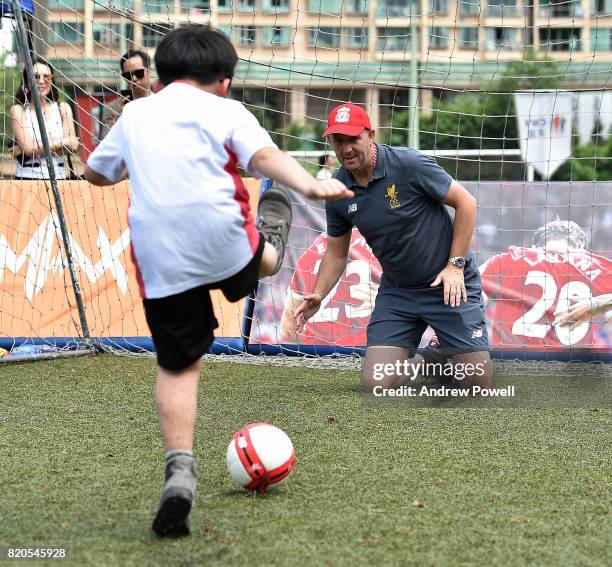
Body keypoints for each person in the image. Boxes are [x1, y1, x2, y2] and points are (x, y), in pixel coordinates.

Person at [84, 25, 352, 538]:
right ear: (225, 81)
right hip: (223, 239)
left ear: (159, 77)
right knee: (263, 257)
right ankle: (270, 240)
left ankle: (179, 472)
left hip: (161, 256)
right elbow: (265, 159)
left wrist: (112, 167)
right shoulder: (228, 110)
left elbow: (97, 174)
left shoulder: (136, 112)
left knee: (180, 365)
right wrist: (311, 184)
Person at [293, 103, 493, 392]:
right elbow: (337, 252)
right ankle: (432, 359)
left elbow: (467, 203)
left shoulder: (409, 164)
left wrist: (455, 266)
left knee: (477, 382)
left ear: (370, 135)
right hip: (399, 292)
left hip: (447, 284)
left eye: (353, 139)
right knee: (376, 383)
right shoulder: (337, 191)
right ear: (330, 142)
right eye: (339, 141)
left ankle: (449, 349)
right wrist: (319, 294)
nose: (346, 148)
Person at [478, 217, 612, 349]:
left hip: (512, 361)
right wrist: (599, 303)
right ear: (581, 248)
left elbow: (468, 288)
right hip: (574, 366)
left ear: (535, 246)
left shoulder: (510, 259)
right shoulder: (596, 265)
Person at [279, 228, 382, 345]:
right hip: (370, 349)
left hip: (319, 356)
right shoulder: (383, 243)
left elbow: (287, 329)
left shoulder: (313, 250)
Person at [10, 58, 80, 180]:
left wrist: (32, 149)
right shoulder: (18, 110)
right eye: (36, 76)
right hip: (27, 180)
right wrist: (61, 143)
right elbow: (29, 150)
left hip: (59, 178)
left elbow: (72, 147)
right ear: (26, 81)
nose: (41, 81)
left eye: (46, 76)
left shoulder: (63, 108)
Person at [100, 49, 152, 139]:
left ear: (149, 71)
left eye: (139, 73)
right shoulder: (111, 108)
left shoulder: (162, 103)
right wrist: (121, 119)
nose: (134, 78)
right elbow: (106, 142)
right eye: (128, 75)